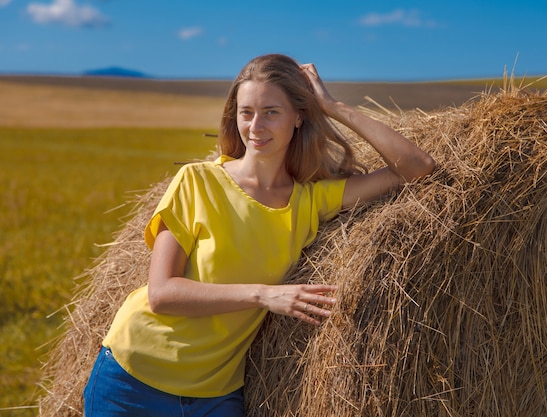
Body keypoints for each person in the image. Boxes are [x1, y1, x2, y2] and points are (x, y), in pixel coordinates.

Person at [83, 53, 435, 416]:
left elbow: (416, 167)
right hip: (132, 380)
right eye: (246, 112)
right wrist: (266, 295)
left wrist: (333, 106)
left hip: (215, 394)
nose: (255, 126)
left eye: (271, 112)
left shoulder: (310, 200)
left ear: (299, 117)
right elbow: (162, 293)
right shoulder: (197, 182)